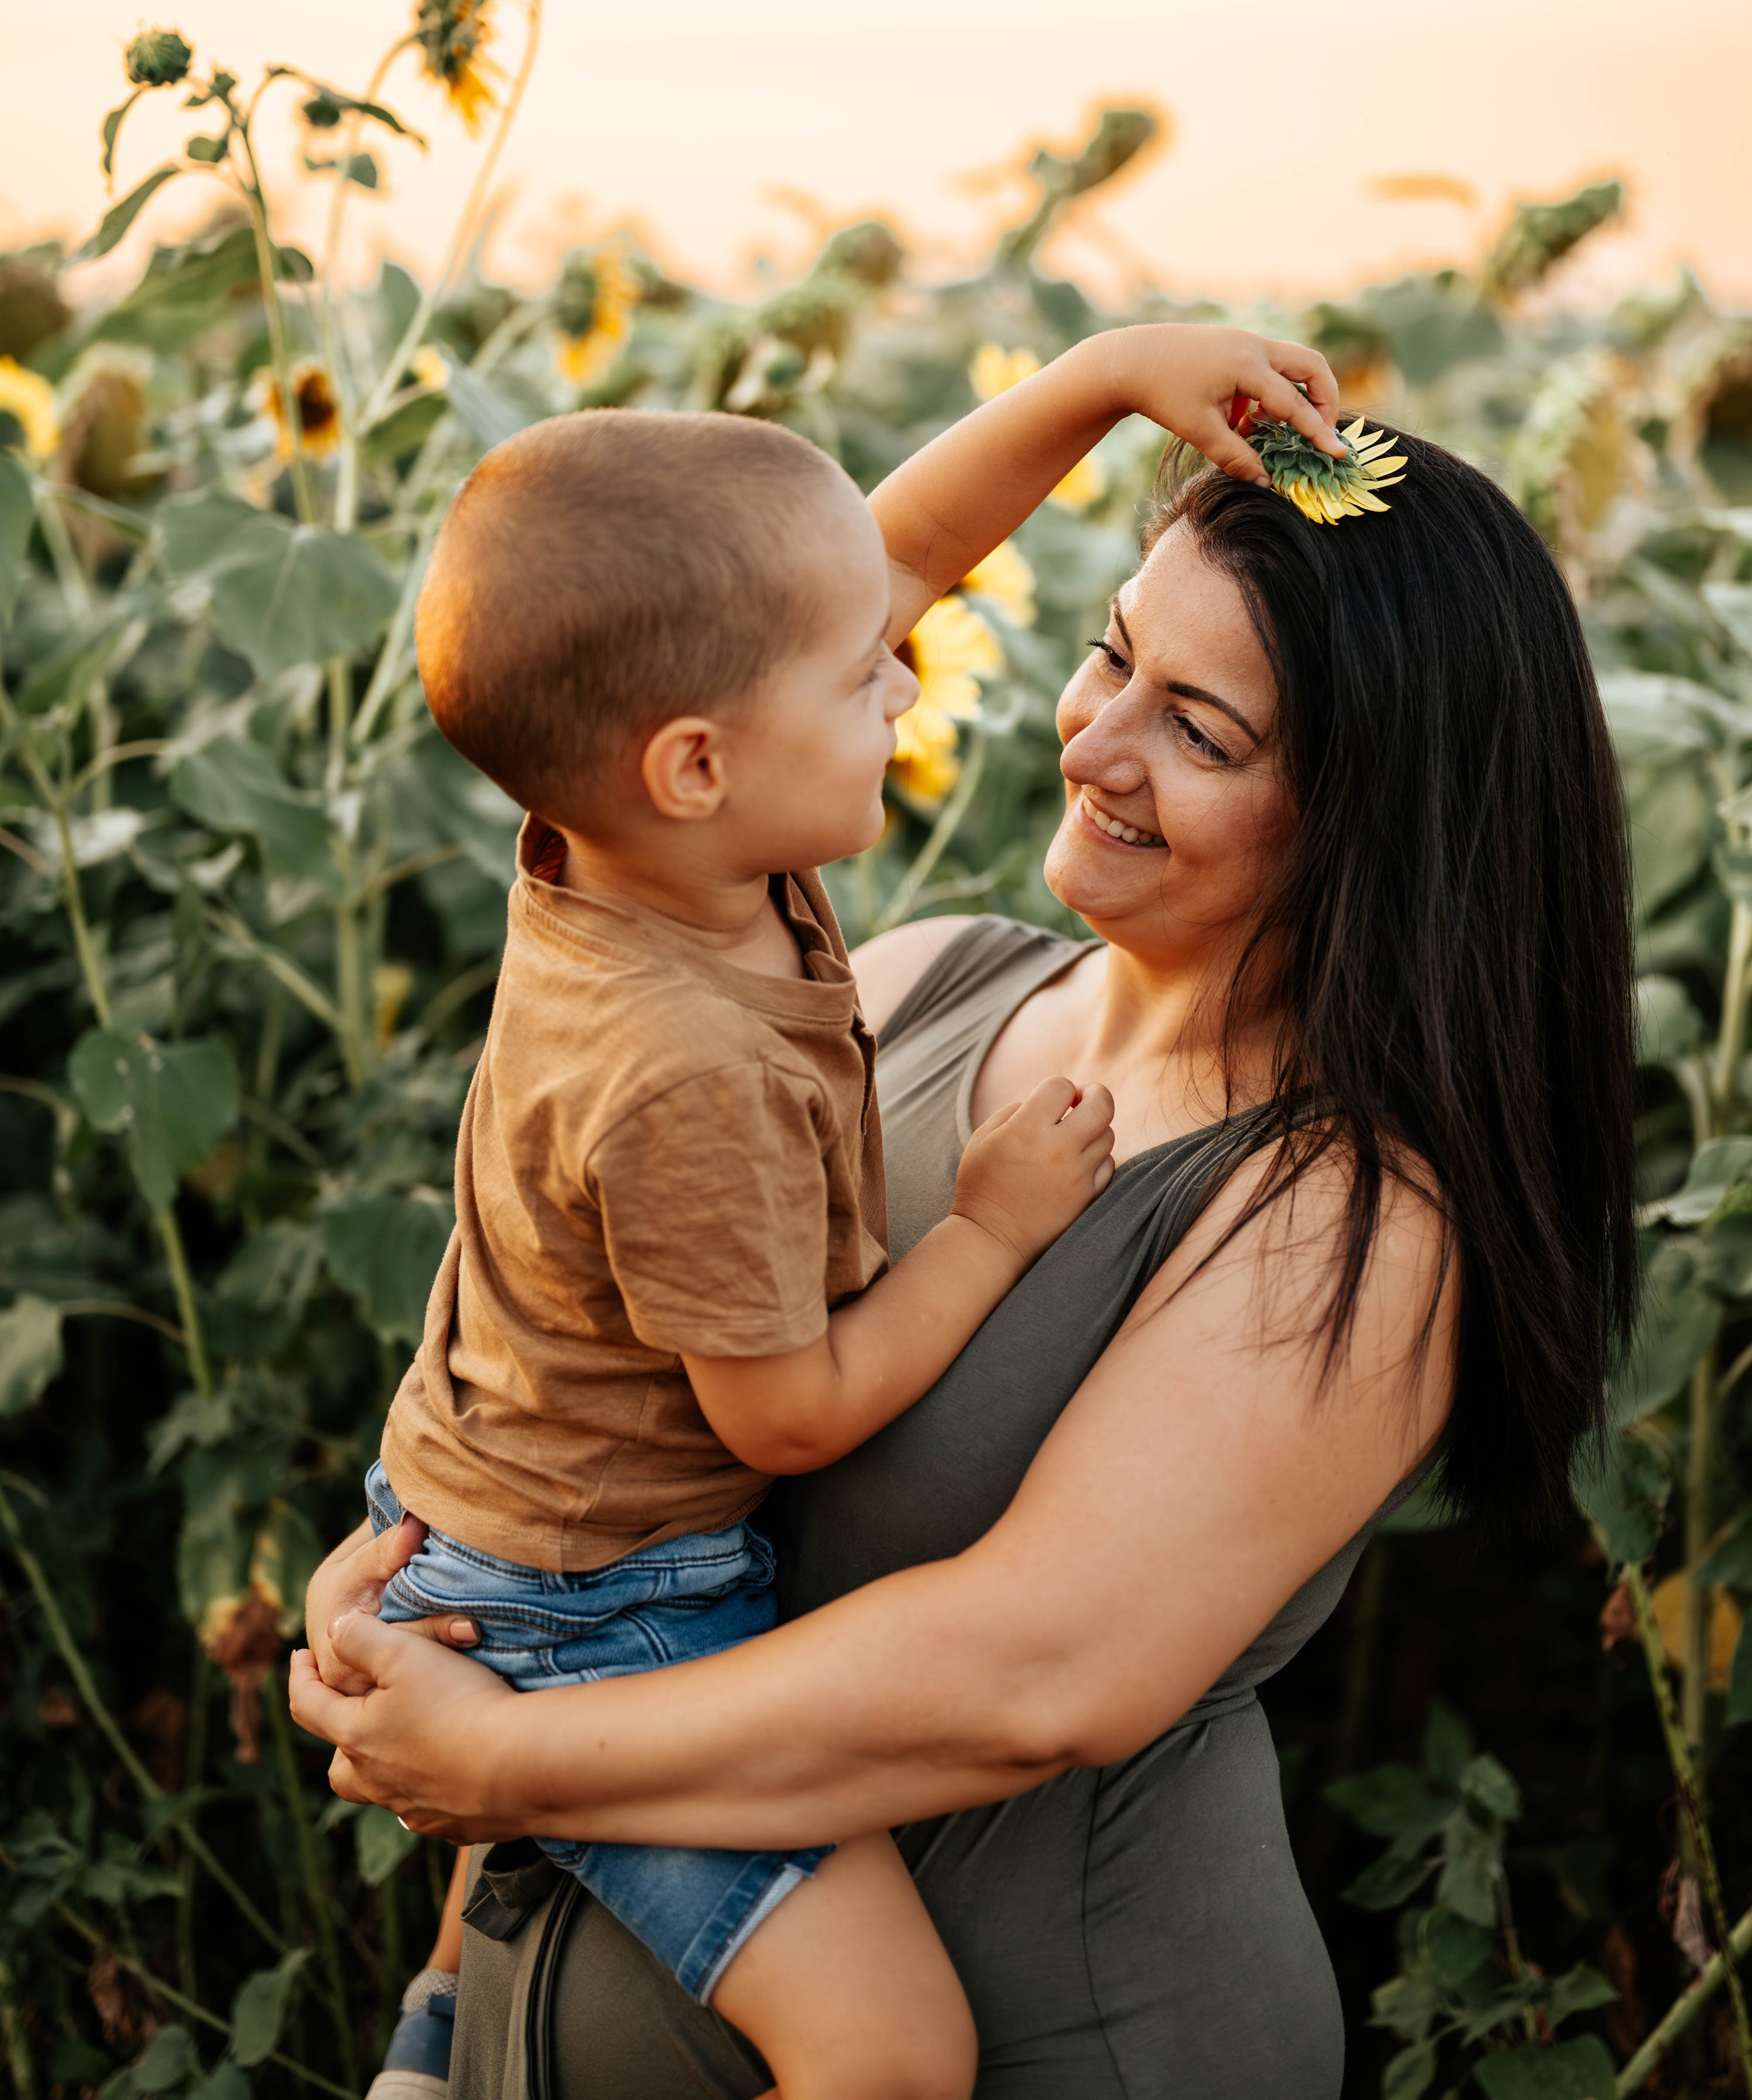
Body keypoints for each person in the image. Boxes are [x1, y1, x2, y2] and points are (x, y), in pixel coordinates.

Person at [296, 408, 1638, 2099]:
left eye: (1198, 730)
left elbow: (1028, 1675)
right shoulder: (901, 987)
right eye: (1111, 654)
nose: (1093, 742)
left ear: (1379, 817)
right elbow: (716, 637)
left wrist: (501, 1756)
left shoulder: (1347, 1222)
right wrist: (433, 1585)